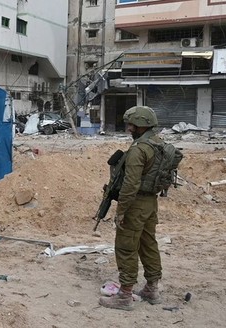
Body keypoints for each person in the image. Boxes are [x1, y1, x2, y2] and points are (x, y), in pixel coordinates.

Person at [99, 106, 166, 311]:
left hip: (135, 204)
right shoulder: (158, 143)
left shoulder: (138, 149)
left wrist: (121, 211)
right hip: (150, 203)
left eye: (132, 125)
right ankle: (152, 289)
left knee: (126, 246)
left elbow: (130, 184)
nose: (128, 128)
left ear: (142, 126)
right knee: (148, 243)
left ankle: (125, 295)